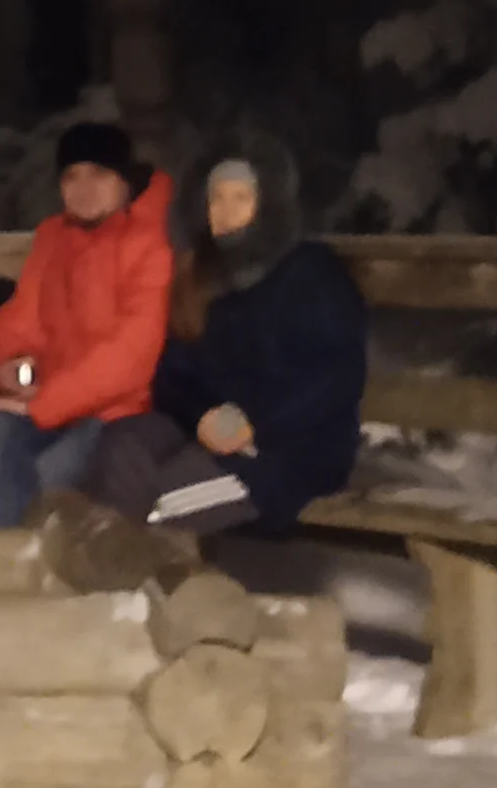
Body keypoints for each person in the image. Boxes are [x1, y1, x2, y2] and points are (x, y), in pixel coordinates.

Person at [150, 141, 370, 533]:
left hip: (296, 452)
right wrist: (201, 416)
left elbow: (338, 371)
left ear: (267, 206)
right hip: (218, 445)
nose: (226, 211)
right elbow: (173, 373)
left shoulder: (309, 271)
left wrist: (256, 422)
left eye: (241, 198)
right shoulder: (204, 275)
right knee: (128, 487)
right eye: (216, 199)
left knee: (154, 510)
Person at [0, 123, 174, 529]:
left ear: (124, 180)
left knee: (53, 470)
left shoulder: (153, 240)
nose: (84, 188)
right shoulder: (54, 238)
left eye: (98, 174)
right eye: (71, 176)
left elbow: (132, 356)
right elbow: (20, 320)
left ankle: (41, 558)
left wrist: (43, 405)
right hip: (56, 406)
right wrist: (8, 367)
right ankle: (4, 555)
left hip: (122, 411)